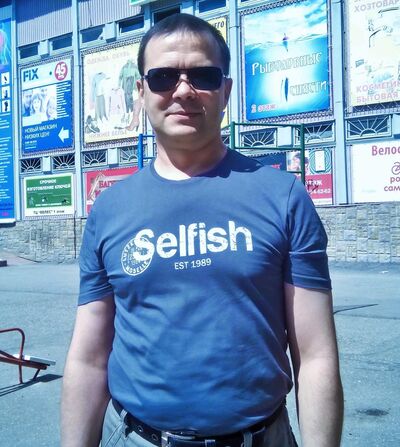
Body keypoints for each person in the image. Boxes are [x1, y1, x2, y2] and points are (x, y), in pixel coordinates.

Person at [61, 13, 343, 447]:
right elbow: (88, 359)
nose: (183, 91)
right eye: (163, 77)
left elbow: (317, 355)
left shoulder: (284, 196)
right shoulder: (109, 210)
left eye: (203, 76)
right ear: (140, 92)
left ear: (225, 91)